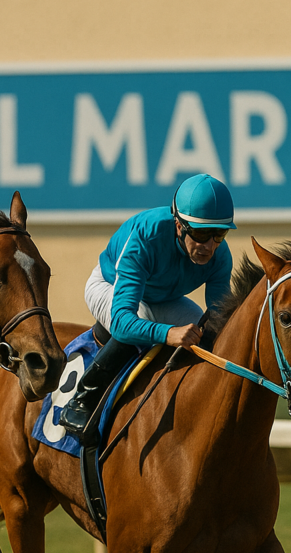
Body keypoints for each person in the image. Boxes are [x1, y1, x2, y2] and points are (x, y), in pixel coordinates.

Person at [59, 173, 235, 445]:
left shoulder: (220, 257)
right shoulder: (145, 235)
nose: (209, 246)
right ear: (178, 225)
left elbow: (220, 319)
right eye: (200, 234)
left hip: (163, 298)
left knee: (208, 335)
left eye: (219, 234)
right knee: (139, 322)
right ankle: (83, 399)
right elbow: (121, 321)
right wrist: (169, 334)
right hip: (109, 287)